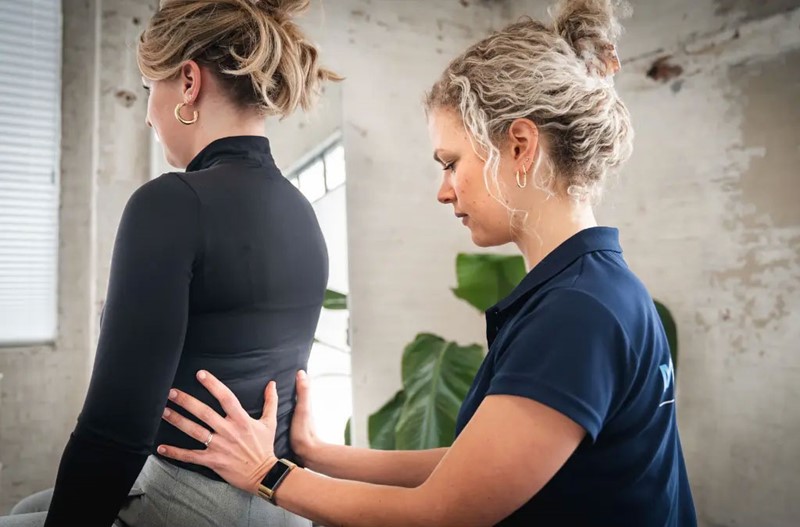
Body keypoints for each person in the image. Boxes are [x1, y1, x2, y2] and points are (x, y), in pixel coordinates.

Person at [156, 0, 698, 526]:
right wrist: (319, 454)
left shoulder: (577, 312)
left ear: (520, 146)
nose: (444, 190)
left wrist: (266, 474)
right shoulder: (600, 288)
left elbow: (443, 511)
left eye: (451, 163)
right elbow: (476, 467)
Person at [0, 1, 338, 526]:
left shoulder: (170, 202)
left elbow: (114, 429)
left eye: (146, 88)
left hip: (199, 505)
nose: (146, 114)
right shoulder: (301, 209)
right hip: (281, 504)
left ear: (188, 83)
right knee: (28, 509)